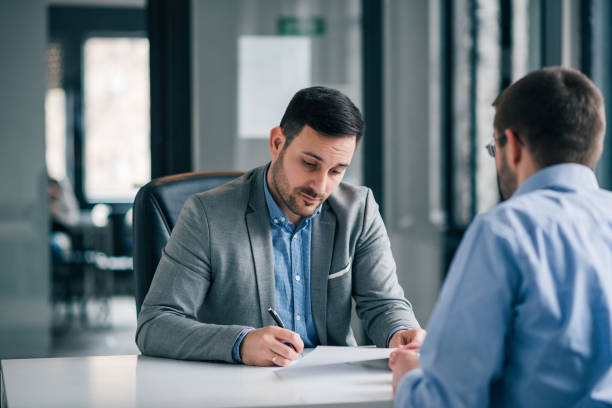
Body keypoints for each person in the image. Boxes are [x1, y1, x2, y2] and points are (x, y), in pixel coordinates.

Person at [136, 86, 426, 366]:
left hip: (333, 388)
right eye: (309, 164)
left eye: (336, 171)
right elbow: (155, 324)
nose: (321, 186)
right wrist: (241, 343)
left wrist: (400, 332)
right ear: (277, 143)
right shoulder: (207, 215)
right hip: (240, 389)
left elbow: (383, 304)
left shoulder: (358, 210)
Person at [390, 67, 612, 407]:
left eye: (495, 147)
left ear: (513, 145)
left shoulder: (504, 231)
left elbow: (447, 401)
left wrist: (410, 378)